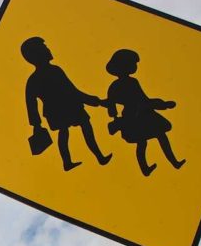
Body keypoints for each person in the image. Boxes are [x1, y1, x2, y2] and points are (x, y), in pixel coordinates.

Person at [22, 37, 111, 171]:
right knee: (73, 129)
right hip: (63, 109)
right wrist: (36, 124)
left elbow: (72, 91)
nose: (48, 50)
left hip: (66, 108)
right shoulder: (43, 76)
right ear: (37, 55)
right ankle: (79, 160)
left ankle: (94, 157)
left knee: (72, 130)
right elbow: (32, 103)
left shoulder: (47, 74)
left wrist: (96, 101)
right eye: (45, 49)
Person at [104, 48, 186, 176]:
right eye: (133, 63)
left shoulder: (132, 82)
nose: (135, 66)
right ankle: (145, 168)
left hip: (143, 113)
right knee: (143, 142)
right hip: (132, 117)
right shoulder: (116, 86)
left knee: (159, 135)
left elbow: (144, 99)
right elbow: (111, 105)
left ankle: (173, 161)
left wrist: (163, 104)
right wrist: (116, 119)